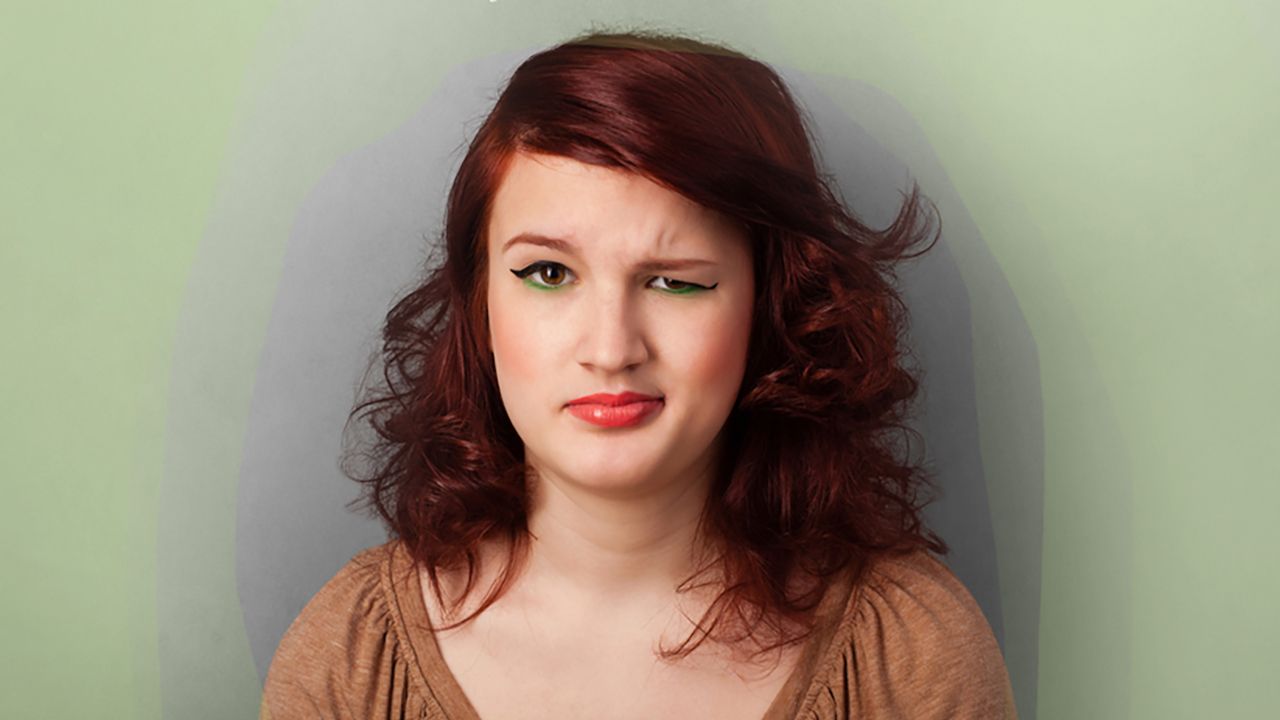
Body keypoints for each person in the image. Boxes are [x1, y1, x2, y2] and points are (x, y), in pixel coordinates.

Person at [260, 28, 1017, 720]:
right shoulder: (352, 660)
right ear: (480, 303)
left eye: (674, 280)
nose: (612, 348)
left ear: (771, 306)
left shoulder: (913, 658)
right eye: (549, 272)